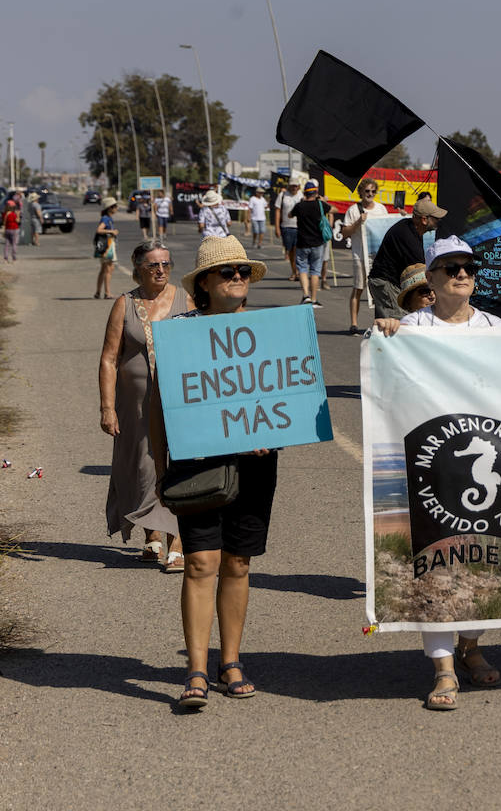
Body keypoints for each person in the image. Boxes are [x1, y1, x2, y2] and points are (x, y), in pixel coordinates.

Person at [372, 236, 501, 709]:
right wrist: (387, 332)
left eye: (468, 267)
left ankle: (470, 645)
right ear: (430, 278)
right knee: (437, 565)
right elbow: (390, 377)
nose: (462, 274)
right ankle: (443, 668)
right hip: (433, 467)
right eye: (450, 268)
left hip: (487, 464)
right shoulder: (413, 326)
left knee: (485, 562)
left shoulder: (495, 326)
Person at [150, 236, 274, 708]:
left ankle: (232, 660)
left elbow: (287, 397)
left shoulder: (268, 331)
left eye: (242, 270)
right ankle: (196, 670)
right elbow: (157, 406)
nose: (237, 277)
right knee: (202, 562)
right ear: (204, 282)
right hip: (195, 461)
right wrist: (160, 465)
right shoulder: (179, 332)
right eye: (227, 272)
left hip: (257, 462)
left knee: (239, 562)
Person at [99, 242, 187, 572]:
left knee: (179, 464)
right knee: (144, 465)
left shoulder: (185, 299)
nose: (160, 270)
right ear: (138, 269)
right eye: (153, 265)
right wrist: (107, 408)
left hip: (179, 400)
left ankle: (177, 540)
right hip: (135, 403)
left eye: (166, 263)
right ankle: (152, 535)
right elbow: (109, 359)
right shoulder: (125, 304)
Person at [369, 199, 445, 319]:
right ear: (424, 220)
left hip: (384, 282)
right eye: (435, 218)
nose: (438, 221)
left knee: (387, 324)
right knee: (399, 323)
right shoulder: (409, 238)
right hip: (386, 283)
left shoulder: (409, 226)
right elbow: (420, 275)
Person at [340, 179, 389, 334]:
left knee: (380, 291)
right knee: (358, 288)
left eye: (373, 191)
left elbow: (387, 227)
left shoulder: (381, 208)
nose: (370, 194)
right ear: (361, 192)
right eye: (367, 191)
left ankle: (379, 323)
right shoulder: (353, 210)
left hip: (378, 256)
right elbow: (344, 233)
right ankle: (354, 324)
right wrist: (358, 222)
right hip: (360, 255)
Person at [289, 180, 333, 308]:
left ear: (304, 193)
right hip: (317, 243)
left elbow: (289, 215)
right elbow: (333, 209)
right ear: (316, 192)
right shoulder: (320, 205)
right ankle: (314, 299)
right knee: (315, 271)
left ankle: (306, 296)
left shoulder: (299, 206)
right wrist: (323, 200)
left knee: (302, 268)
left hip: (302, 242)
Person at [275, 179, 303, 282]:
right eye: (292, 186)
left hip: (299, 227)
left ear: (298, 186)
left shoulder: (301, 195)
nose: (294, 187)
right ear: (289, 186)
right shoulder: (283, 195)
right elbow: (277, 210)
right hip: (286, 226)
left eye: (296, 186)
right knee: (291, 251)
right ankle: (294, 271)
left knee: (298, 250)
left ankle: (299, 272)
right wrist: (277, 227)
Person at [94, 196, 119, 299]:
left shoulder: (108, 218)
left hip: (107, 245)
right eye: (115, 206)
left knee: (103, 269)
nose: (116, 208)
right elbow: (99, 230)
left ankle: (98, 292)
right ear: (110, 208)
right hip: (107, 246)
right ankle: (107, 293)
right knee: (109, 269)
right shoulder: (106, 218)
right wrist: (111, 231)